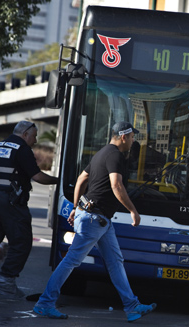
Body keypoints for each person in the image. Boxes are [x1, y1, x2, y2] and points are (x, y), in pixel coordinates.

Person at [33, 121, 156, 322]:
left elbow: (82, 179)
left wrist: (75, 207)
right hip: (94, 219)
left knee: (115, 262)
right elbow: (117, 186)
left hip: (98, 218)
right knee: (72, 260)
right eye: (133, 137)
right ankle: (45, 303)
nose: (134, 141)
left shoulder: (102, 153)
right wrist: (133, 211)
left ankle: (132, 306)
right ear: (124, 136)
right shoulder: (115, 155)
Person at [0, 121, 59, 299]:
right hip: (8, 200)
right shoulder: (22, 148)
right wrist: (60, 181)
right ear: (25, 134)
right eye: (34, 136)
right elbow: (38, 176)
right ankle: (5, 283)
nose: (35, 140)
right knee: (22, 241)